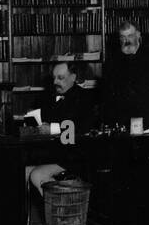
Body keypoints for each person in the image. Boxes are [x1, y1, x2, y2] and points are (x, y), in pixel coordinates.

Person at [25, 60, 99, 197]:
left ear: (73, 77)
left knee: (37, 175)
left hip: (74, 156)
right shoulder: (47, 98)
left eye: (60, 78)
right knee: (22, 172)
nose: (55, 82)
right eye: (54, 78)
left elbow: (82, 128)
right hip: (50, 154)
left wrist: (52, 129)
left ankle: (65, 211)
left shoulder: (85, 98)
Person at [100, 20, 149, 132]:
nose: (126, 40)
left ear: (138, 35)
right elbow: (107, 94)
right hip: (121, 121)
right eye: (122, 37)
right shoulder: (112, 61)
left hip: (148, 118)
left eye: (130, 36)